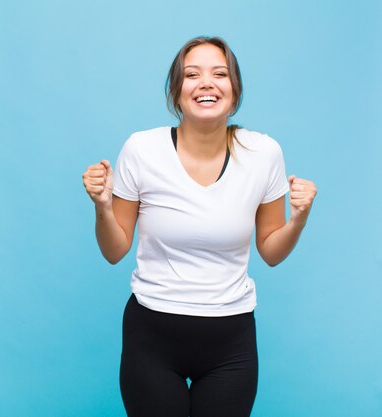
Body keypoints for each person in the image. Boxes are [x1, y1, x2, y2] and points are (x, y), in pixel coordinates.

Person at [81, 36, 317, 417]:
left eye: (219, 74)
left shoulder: (263, 153)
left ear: (234, 89)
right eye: (192, 74)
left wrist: (299, 220)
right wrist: (103, 208)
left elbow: (271, 251)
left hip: (231, 342)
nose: (206, 82)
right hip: (152, 338)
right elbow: (114, 251)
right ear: (177, 92)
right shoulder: (142, 149)